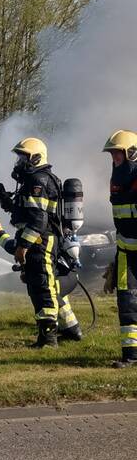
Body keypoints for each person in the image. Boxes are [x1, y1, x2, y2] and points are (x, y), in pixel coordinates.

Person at [0, 137, 73, 347]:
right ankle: (71, 329)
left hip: (41, 241)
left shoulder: (38, 180)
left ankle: (48, 339)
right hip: (39, 240)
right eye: (19, 158)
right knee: (43, 286)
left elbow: (39, 220)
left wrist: (23, 247)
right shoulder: (32, 180)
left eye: (23, 158)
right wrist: (7, 202)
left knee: (42, 288)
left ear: (36, 158)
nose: (19, 162)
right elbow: (29, 212)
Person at [0, 218, 81, 343]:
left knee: (44, 295)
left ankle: (48, 337)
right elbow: (16, 247)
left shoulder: (36, 233)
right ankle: (73, 331)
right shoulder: (46, 231)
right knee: (57, 297)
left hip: (61, 278)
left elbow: (16, 248)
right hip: (67, 278)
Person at [101, 129, 137, 368]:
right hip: (125, 254)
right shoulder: (115, 182)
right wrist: (115, 261)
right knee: (127, 303)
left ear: (132, 154)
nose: (114, 158)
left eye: (118, 153)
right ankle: (131, 356)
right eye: (112, 154)